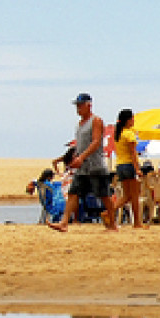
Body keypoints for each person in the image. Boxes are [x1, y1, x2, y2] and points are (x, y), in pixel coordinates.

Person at [52, 93, 116, 232]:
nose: (78, 109)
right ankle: (64, 223)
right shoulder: (79, 125)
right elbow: (79, 145)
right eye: (77, 106)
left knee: (104, 195)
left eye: (80, 105)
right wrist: (72, 158)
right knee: (73, 193)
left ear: (89, 105)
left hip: (96, 166)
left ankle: (113, 225)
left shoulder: (96, 120)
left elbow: (96, 142)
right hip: (82, 168)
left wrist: (82, 157)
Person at [107, 108, 146, 229]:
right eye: (132, 118)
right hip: (129, 165)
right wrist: (137, 169)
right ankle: (137, 223)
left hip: (120, 165)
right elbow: (133, 153)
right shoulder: (129, 134)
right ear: (128, 120)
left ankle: (108, 211)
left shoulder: (119, 134)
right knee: (134, 195)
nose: (133, 120)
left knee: (127, 195)